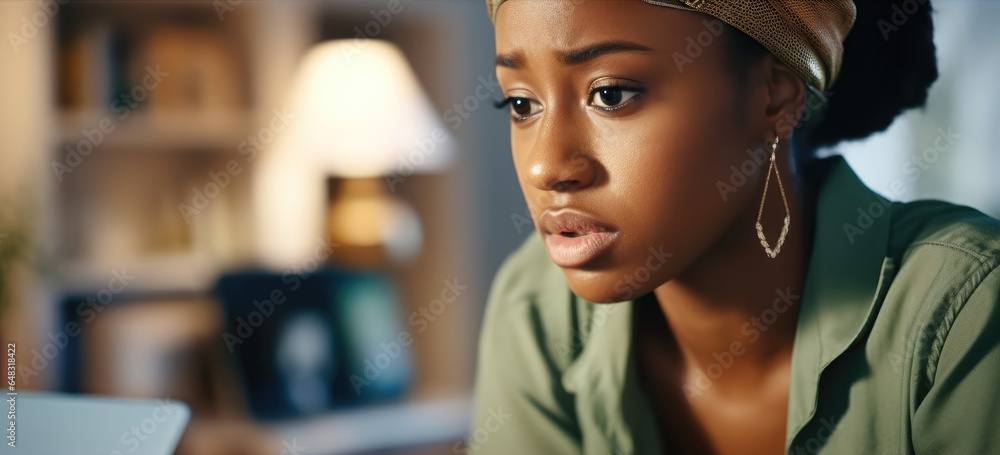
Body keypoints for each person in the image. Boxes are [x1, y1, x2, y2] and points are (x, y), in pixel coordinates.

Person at [467, 0, 1000, 454]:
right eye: (521, 103)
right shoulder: (535, 308)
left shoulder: (965, 312)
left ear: (773, 95)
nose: (546, 167)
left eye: (611, 94)